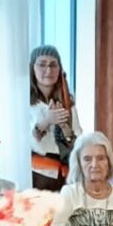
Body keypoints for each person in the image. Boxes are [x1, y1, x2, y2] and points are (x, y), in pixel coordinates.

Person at [27, 44, 78, 191]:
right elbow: (25, 143)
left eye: (53, 65)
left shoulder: (68, 103)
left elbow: (78, 143)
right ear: (32, 68)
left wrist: (65, 127)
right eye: (42, 64)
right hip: (36, 174)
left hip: (64, 176)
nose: (48, 70)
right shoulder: (25, 102)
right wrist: (46, 121)